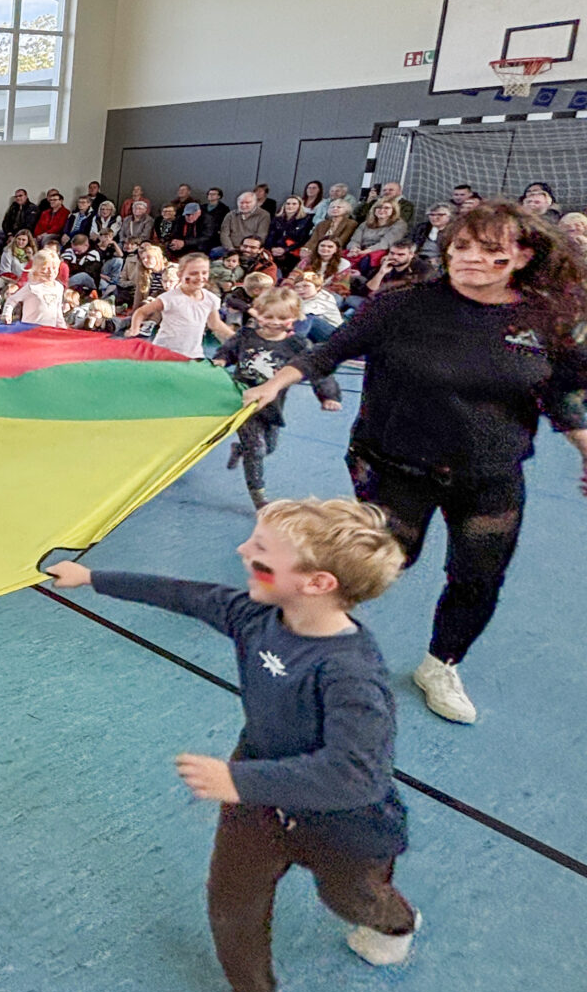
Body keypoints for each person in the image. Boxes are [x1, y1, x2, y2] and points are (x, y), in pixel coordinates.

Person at [45, 500, 417, 992]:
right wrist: (93, 578)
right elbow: (185, 594)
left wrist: (239, 782)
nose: (242, 551)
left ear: (317, 583)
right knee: (231, 903)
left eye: (260, 551)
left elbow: (355, 777)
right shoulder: (255, 616)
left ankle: (396, 924)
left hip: (343, 824)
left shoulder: (351, 673)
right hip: (255, 800)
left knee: (352, 898)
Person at [245, 202, 587, 723]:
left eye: (490, 249)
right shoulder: (403, 305)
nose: (470, 257)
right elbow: (328, 352)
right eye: (461, 246)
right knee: (374, 564)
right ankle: (303, 640)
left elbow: (562, 395)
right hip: (394, 466)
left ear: (522, 255)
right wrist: (274, 384)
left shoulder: (545, 320)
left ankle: (441, 664)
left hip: (489, 475)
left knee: (478, 577)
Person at [213, 287, 342, 507]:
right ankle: (259, 497)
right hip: (245, 401)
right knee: (257, 449)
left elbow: (315, 369)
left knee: (269, 447)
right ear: (257, 313)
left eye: (282, 318)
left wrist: (328, 396)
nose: (274, 323)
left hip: (273, 404)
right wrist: (221, 360)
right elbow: (228, 350)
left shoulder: (296, 345)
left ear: (295, 317)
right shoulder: (246, 336)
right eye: (268, 316)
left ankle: (240, 449)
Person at [131, 253, 233, 359]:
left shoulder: (210, 299)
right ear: (180, 275)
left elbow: (215, 324)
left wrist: (235, 337)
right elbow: (141, 312)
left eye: (204, 273)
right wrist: (134, 330)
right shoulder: (169, 298)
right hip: (164, 352)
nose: (200, 277)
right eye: (194, 273)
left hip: (193, 354)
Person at [3, 249, 66, 327]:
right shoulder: (31, 287)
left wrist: (62, 327)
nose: (51, 272)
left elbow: (58, 312)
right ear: (36, 269)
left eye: (54, 268)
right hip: (30, 329)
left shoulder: (59, 287)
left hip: (49, 329)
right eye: (45, 269)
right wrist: (7, 314)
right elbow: (12, 300)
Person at [345, 199, 408, 274]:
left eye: (386, 208)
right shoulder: (365, 224)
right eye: (379, 207)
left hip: (380, 251)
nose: (382, 210)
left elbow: (385, 244)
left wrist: (365, 251)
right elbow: (355, 240)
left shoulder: (399, 224)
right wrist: (354, 249)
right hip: (360, 250)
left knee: (365, 260)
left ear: (393, 211)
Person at [219, 191, 272, 257]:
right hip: (231, 248)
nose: (244, 205)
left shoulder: (264, 215)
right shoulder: (230, 215)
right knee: (215, 252)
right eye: (241, 203)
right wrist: (231, 249)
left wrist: (247, 249)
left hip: (251, 249)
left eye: (247, 203)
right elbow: (224, 234)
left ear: (255, 203)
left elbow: (261, 235)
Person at [410, 203, 453, 269]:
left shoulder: (455, 231)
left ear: (449, 216)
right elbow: (408, 242)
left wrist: (439, 260)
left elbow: (454, 253)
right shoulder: (421, 228)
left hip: (440, 263)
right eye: (432, 215)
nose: (435, 218)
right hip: (417, 259)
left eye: (440, 215)